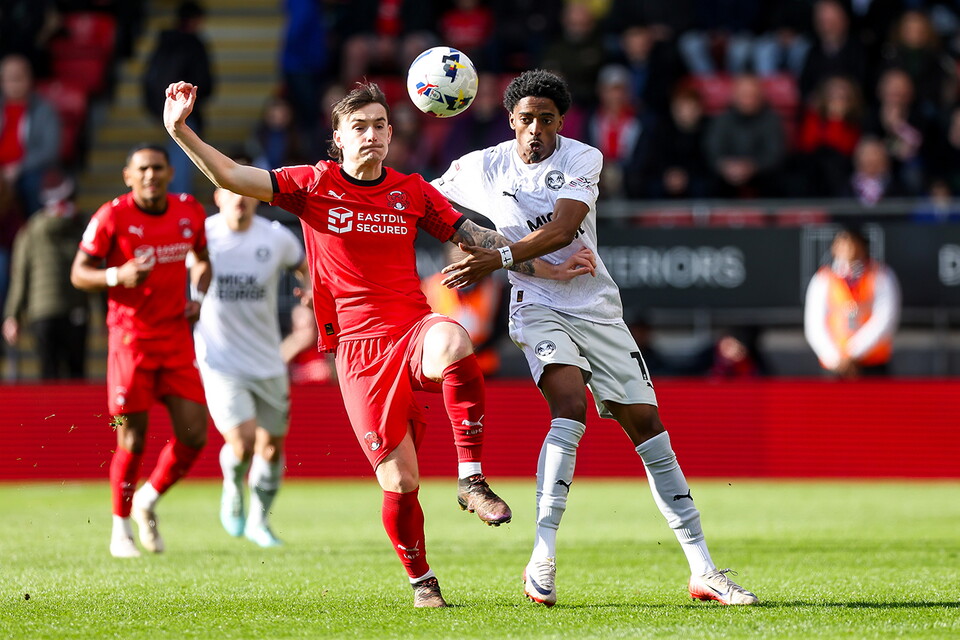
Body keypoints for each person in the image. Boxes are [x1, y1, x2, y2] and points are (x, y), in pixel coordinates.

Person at [162, 79, 594, 607]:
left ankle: (471, 479)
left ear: (391, 134)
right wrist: (179, 129)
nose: (371, 134)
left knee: (455, 342)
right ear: (338, 138)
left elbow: (480, 240)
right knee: (401, 480)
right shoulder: (310, 184)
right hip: (359, 351)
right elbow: (230, 174)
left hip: (413, 326)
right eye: (358, 126)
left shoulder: (411, 190)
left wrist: (550, 268)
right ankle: (422, 581)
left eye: (379, 126)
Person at [433, 69, 759, 607]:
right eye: (525, 119)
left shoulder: (582, 158)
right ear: (510, 120)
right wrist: (497, 253)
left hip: (597, 308)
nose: (535, 128)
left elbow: (562, 230)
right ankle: (542, 559)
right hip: (536, 306)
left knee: (649, 430)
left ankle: (703, 568)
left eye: (546, 118)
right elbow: (428, 208)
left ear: (561, 121)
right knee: (569, 409)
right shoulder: (481, 166)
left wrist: (499, 257)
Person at [69, 144, 212, 558]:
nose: (151, 175)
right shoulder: (111, 216)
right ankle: (120, 528)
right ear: (128, 176)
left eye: (157, 168)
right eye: (142, 169)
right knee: (133, 438)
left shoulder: (189, 212)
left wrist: (199, 296)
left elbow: (202, 260)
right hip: (130, 341)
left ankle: (149, 498)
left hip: (175, 337)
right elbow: (79, 272)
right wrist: (117, 274)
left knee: (195, 435)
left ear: (170, 173)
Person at [192, 172, 308, 548]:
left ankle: (260, 521)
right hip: (219, 358)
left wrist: (309, 294)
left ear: (258, 197)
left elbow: (305, 269)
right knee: (242, 441)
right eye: (231, 191)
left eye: (246, 192)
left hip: (267, 357)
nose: (239, 198)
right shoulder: (202, 235)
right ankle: (232, 485)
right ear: (217, 196)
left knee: (271, 447)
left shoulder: (275, 237)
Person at [3, 171, 89, 379]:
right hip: (75, 309)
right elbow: (94, 270)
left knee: (48, 376)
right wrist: (106, 312)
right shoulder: (83, 229)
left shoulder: (30, 230)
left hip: (40, 313)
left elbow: (20, 276)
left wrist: (12, 316)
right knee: (77, 376)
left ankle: (49, 413)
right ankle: (79, 413)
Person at [804, 226, 901, 378]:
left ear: (862, 245)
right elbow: (814, 325)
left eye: (852, 241)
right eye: (842, 241)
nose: (847, 247)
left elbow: (885, 319)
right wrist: (837, 359)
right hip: (834, 367)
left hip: (872, 364)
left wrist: (853, 353)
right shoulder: (823, 279)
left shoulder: (881, 276)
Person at [141, 1, 214, 195]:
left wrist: (156, 107)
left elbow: (149, 77)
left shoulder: (163, 44)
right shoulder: (194, 45)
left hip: (163, 110)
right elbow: (205, 83)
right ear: (196, 20)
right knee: (182, 163)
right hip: (187, 113)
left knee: (174, 159)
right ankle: (178, 206)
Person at [0, 53, 61, 217]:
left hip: (29, 169)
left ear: (29, 79)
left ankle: (33, 232)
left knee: (32, 184)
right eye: (9, 79)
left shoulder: (45, 109)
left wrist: (18, 167)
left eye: (18, 78)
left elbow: (50, 151)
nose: (14, 84)